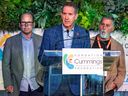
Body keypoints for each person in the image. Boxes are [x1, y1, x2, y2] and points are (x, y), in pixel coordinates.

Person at [38, 2, 90, 96]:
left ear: (76, 16)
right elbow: (41, 57)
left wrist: (85, 79)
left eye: (70, 14)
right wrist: (59, 60)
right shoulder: (49, 33)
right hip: (53, 83)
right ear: (61, 15)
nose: (67, 17)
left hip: (75, 85)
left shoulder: (83, 33)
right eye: (64, 14)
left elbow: (87, 59)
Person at [2, 12, 43, 96]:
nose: (26, 25)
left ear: (33, 24)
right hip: (18, 87)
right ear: (20, 24)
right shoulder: (10, 41)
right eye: (23, 22)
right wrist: (8, 83)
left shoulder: (41, 40)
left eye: (29, 22)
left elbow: (45, 63)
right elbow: (5, 64)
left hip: (38, 86)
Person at [91, 16, 126, 96]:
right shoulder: (89, 42)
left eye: (107, 25)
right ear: (99, 26)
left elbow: (122, 71)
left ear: (112, 28)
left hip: (108, 90)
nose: (104, 27)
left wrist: (114, 85)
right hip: (89, 88)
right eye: (102, 24)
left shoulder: (118, 46)